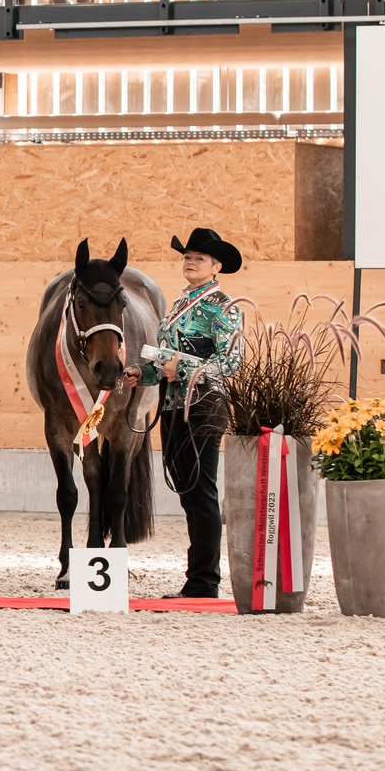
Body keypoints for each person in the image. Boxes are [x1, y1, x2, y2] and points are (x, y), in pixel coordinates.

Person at [125, 227, 244, 600]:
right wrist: (140, 372)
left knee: (201, 490)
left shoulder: (224, 308)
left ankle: (204, 581)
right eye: (187, 257)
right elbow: (164, 362)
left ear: (216, 266)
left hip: (205, 405)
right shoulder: (180, 304)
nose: (191, 262)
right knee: (189, 493)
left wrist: (188, 371)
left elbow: (232, 361)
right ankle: (199, 577)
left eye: (199, 258)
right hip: (174, 403)